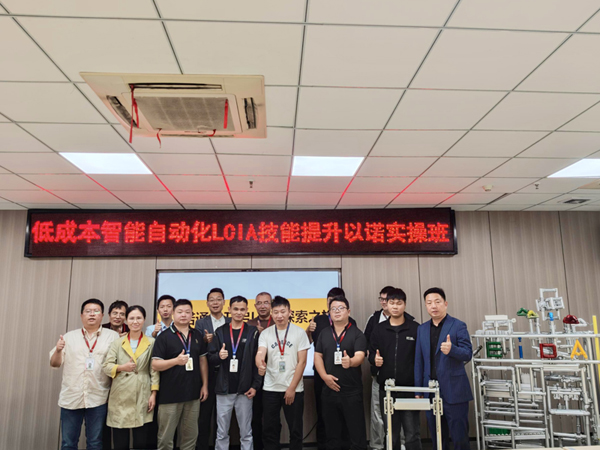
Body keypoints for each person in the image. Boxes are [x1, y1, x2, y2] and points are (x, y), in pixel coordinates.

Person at [50, 298, 120, 450]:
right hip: (71, 398)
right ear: (82, 315)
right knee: (68, 444)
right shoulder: (68, 337)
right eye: (88, 311)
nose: (92, 314)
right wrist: (58, 350)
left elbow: (116, 365)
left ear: (102, 315)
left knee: (95, 443)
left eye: (96, 311)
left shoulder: (113, 337)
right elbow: (54, 364)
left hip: (98, 398)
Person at [414, 288, 473, 450]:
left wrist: (452, 349)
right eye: (429, 303)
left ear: (445, 304)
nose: (433, 306)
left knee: (459, 437)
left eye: (437, 301)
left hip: (455, 390)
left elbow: (468, 354)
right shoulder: (422, 329)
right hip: (431, 390)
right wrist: (419, 390)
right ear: (426, 306)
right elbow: (419, 361)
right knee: (437, 437)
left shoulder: (458, 325)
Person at [152, 299, 209, 450]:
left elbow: (202, 361)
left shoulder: (197, 335)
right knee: (166, 438)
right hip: (170, 396)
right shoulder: (164, 336)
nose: (184, 315)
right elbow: (155, 365)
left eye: (187, 312)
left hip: (193, 394)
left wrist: (205, 385)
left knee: (190, 437)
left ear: (192, 314)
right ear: (173, 313)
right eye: (180, 312)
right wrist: (176, 361)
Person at [256, 296, 310, 450]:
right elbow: (260, 353)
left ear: (289, 312)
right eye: (276, 312)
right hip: (270, 388)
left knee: (295, 429)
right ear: (271, 313)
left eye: (283, 311)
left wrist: (291, 388)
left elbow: (302, 362)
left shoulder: (299, 333)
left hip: (293, 389)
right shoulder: (266, 334)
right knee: (270, 429)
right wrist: (260, 364)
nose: (279, 315)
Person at [369, 288, 420, 450]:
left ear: (405, 305)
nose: (395, 306)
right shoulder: (379, 329)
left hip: (410, 388)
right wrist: (374, 360)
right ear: (386, 304)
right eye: (392, 303)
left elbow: (421, 357)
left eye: (399, 303)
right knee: (391, 433)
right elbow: (371, 353)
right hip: (387, 389)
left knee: (412, 433)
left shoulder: (415, 328)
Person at [314, 296, 368, 450]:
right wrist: (324, 377)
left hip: (351, 392)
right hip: (329, 391)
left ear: (348, 311)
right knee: (332, 436)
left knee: (356, 435)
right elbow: (317, 356)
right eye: (333, 309)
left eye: (341, 308)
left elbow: (360, 356)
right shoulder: (324, 333)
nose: (337, 311)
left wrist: (351, 362)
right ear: (329, 313)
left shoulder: (357, 333)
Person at [306, 287, 357, 449]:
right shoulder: (318, 319)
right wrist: (308, 331)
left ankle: (344, 444)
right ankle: (323, 444)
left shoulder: (351, 321)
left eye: (338, 303)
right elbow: (308, 343)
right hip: (322, 373)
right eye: (330, 302)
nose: (334, 306)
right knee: (323, 411)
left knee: (345, 412)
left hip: (344, 373)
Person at [103, 305, 159, 450]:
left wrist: (153, 394)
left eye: (139, 318)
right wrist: (122, 367)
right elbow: (106, 366)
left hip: (142, 391)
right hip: (120, 392)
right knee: (120, 440)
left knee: (141, 439)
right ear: (126, 321)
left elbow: (154, 370)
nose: (135, 321)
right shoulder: (117, 342)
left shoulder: (151, 342)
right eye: (132, 318)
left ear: (144, 319)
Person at [210, 296, 262, 450]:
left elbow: (258, 361)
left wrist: (255, 385)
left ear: (246, 311)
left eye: (242, 309)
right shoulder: (220, 331)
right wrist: (219, 356)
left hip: (245, 390)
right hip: (223, 390)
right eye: (236, 309)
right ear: (229, 310)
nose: (239, 312)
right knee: (221, 432)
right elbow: (210, 358)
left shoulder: (252, 332)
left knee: (246, 433)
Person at [195, 287, 231, 450]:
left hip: (226, 371)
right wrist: (204, 340)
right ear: (207, 303)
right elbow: (195, 346)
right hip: (207, 372)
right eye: (212, 300)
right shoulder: (201, 323)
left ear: (224, 302)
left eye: (218, 299)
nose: (215, 303)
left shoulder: (230, 321)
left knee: (222, 416)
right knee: (204, 415)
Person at [364, 286, 394, 450]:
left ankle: (400, 444)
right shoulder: (374, 319)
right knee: (377, 411)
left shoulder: (406, 320)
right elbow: (365, 343)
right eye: (381, 299)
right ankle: (377, 445)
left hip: (400, 374)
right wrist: (372, 359)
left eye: (386, 299)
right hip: (378, 373)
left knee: (399, 410)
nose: (383, 302)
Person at [246, 291, 273, 450]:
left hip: (274, 377)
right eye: (259, 303)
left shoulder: (278, 323)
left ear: (271, 304)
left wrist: (265, 336)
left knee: (272, 417)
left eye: (266, 302)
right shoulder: (249, 325)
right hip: (254, 378)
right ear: (255, 306)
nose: (262, 306)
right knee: (255, 417)